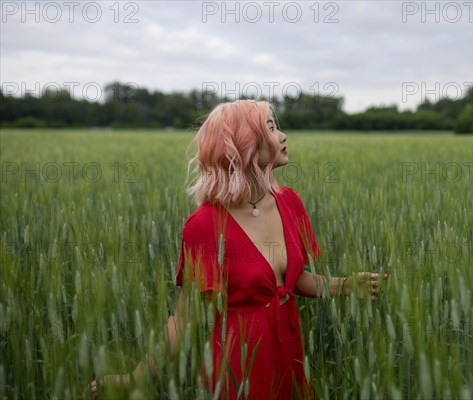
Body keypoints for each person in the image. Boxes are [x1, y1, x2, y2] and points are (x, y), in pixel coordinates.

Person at [87, 100, 388, 399]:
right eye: (270, 128)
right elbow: (184, 317)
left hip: (290, 351)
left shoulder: (289, 202)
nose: (282, 135)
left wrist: (344, 286)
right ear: (246, 145)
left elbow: (290, 281)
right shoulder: (205, 225)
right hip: (239, 361)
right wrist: (135, 378)